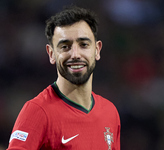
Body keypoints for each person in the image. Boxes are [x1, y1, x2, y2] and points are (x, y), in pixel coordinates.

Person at [7, 5, 120, 150]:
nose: (75, 54)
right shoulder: (37, 111)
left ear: (97, 50)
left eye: (84, 44)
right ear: (51, 53)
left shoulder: (110, 112)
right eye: (65, 46)